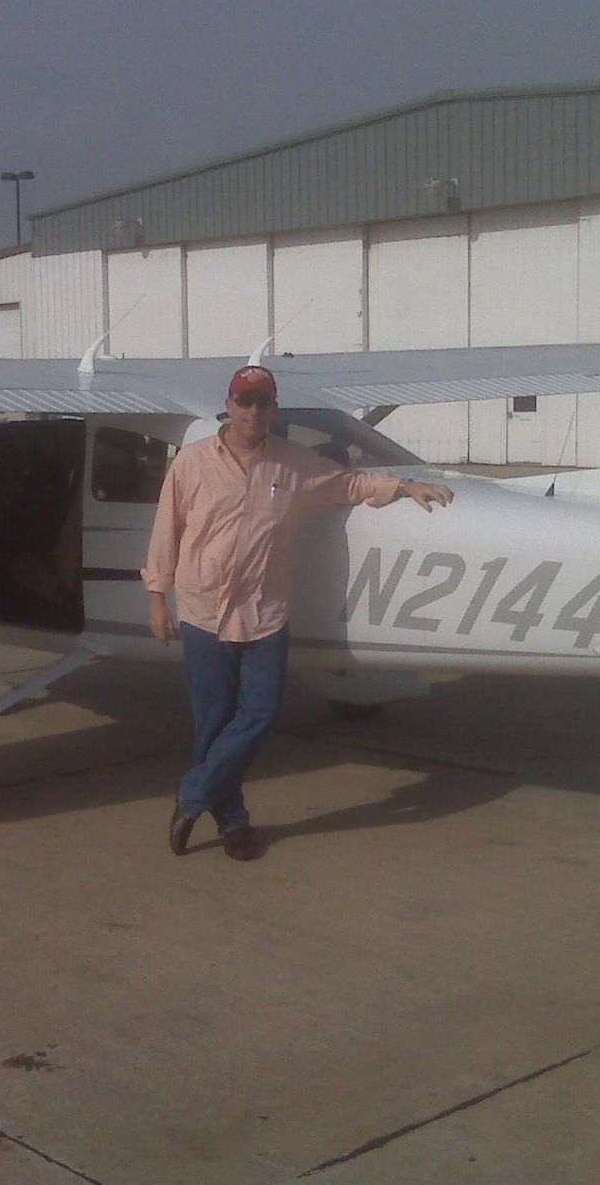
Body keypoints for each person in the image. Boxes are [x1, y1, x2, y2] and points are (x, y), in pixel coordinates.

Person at [141, 365, 454, 861]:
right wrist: (158, 596)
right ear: (230, 404)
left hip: (264, 611)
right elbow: (167, 528)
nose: (254, 411)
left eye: (263, 402)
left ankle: (193, 794)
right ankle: (233, 822)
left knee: (260, 715)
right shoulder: (192, 463)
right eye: (245, 401)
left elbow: (349, 484)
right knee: (214, 723)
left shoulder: (294, 463)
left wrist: (405, 485)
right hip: (203, 611)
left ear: (273, 408)